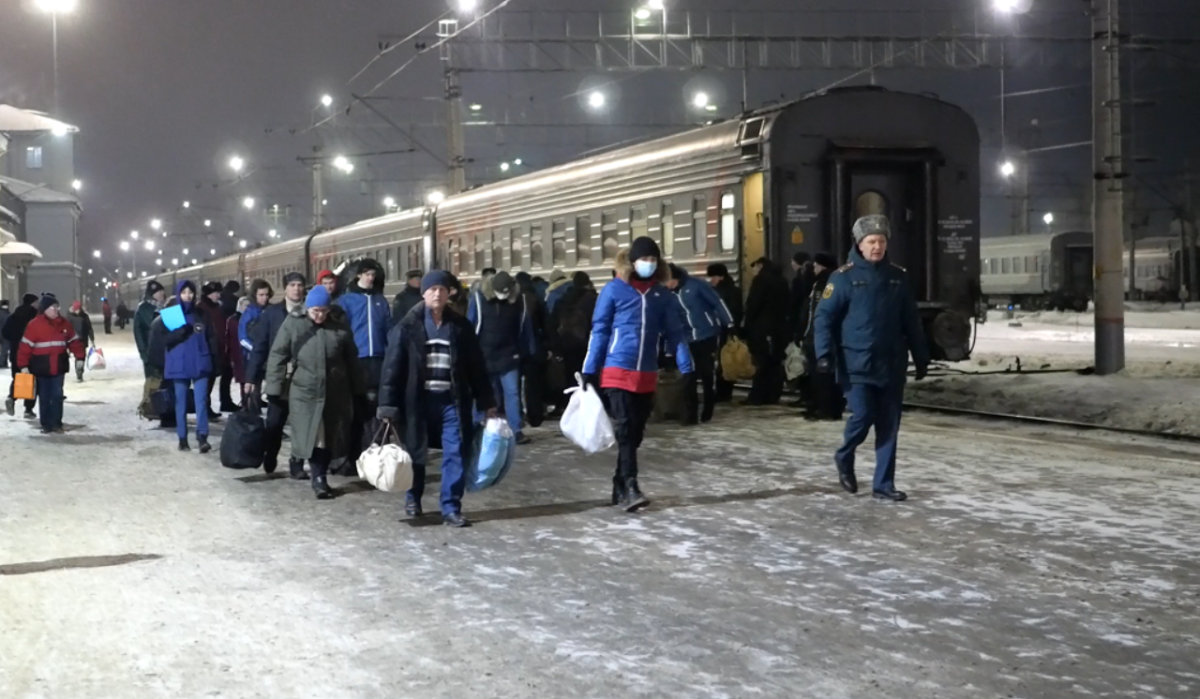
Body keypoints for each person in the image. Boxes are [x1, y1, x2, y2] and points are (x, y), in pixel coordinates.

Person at [814, 215, 930, 502]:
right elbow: (824, 318)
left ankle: (883, 485)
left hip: (890, 363)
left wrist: (921, 354)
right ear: (860, 244)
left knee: (889, 425)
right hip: (856, 363)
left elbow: (911, 321)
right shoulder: (843, 277)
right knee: (863, 416)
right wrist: (824, 353)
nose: (877, 246)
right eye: (871, 241)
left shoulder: (897, 277)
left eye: (881, 241)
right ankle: (844, 455)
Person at [583, 237, 693, 512]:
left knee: (637, 432)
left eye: (654, 260)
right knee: (626, 428)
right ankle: (631, 485)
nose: (649, 264)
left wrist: (686, 365)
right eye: (645, 259)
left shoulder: (661, 295)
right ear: (632, 262)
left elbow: (674, 332)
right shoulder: (613, 291)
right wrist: (589, 368)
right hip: (617, 369)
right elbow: (600, 330)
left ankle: (620, 481)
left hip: (645, 372)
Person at [378, 271, 496, 527]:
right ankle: (413, 498)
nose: (438, 294)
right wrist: (387, 405)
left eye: (442, 290)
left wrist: (488, 402)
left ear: (449, 294)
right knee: (416, 453)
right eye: (433, 290)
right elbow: (392, 368)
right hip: (417, 402)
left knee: (455, 452)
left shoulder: (460, 327)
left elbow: (477, 367)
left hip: (451, 401)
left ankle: (451, 507)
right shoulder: (408, 326)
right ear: (424, 293)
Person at [265, 284, 364, 500]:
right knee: (314, 436)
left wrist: (360, 389)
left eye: (323, 311)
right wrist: (274, 387)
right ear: (307, 309)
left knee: (327, 437)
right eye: (315, 311)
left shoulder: (339, 328)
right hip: (304, 391)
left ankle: (316, 471)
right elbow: (278, 354)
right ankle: (318, 478)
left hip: (333, 392)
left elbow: (352, 361)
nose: (319, 315)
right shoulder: (294, 324)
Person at [245, 272, 307, 477]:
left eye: (299, 285)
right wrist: (250, 377)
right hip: (278, 377)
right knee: (275, 422)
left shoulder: (310, 311)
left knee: (301, 423)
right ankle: (270, 453)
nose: (296, 289)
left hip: (303, 377)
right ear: (285, 289)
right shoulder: (272, 314)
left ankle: (296, 464)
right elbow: (260, 347)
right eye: (292, 285)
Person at [467, 270, 536, 444]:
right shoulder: (478, 299)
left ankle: (516, 429)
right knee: (484, 393)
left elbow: (524, 327)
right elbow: (471, 326)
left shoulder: (519, 301)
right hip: (484, 355)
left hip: (509, 354)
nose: (503, 297)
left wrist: (527, 351)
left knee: (512, 392)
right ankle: (479, 425)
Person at [336, 258, 391, 466]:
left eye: (373, 275)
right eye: (367, 274)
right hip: (356, 360)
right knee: (355, 409)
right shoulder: (346, 301)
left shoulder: (380, 300)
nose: (371, 278)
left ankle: (374, 449)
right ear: (359, 275)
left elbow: (388, 328)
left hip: (377, 359)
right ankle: (352, 454)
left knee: (376, 409)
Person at [666, 263, 734, 424]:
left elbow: (716, 302)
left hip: (706, 334)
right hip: (686, 337)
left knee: (706, 373)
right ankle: (690, 414)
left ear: (672, 278)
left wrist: (729, 324)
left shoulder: (696, 285)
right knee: (689, 374)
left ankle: (708, 405)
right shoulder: (668, 295)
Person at [164, 281, 220, 453]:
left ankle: (202, 436)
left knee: (201, 400)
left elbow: (211, 337)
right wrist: (183, 330)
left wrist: (215, 360)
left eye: (190, 292)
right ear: (178, 294)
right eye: (184, 292)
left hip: (200, 362)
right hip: (179, 364)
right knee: (180, 402)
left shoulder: (201, 314)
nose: (188, 295)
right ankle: (182, 438)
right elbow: (166, 340)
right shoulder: (171, 314)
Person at [16, 296, 84, 433]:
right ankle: (46, 424)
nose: (56, 310)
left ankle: (56, 423)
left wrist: (80, 357)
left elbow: (74, 341)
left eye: (57, 307)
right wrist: (23, 366)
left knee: (57, 396)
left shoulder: (64, 324)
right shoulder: (34, 325)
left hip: (59, 366)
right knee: (45, 397)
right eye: (53, 307)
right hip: (42, 368)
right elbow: (25, 347)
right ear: (45, 309)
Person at [800, 252, 842, 421]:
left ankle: (824, 408)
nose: (814, 269)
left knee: (821, 375)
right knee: (828, 375)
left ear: (823, 266)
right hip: (825, 335)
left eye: (816, 265)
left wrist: (806, 334)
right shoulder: (834, 281)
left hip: (819, 336)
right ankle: (829, 408)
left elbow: (815, 312)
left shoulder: (823, 285)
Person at [743, 257, 790, 406]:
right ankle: (773, 394)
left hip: (761, 328)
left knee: (761, 362)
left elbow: (753, 304)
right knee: (775, 362)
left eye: (755, 266)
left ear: (761, 265)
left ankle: (757, 396)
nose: (754, 269)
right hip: (779, 328)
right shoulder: (782, 280)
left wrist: (747, 325)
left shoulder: (760, 280)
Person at [546, 271, 596, 398]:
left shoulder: (562, 299)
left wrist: (556, 346)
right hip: (587, 343)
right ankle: (590, 401)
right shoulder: (592, 299)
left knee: (570, 375)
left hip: (567, 343)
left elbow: (551, 325)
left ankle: (572, 402)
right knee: (589, 374)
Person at [515, 271, 548, 428]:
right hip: (534, 346)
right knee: (533, 384)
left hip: (516, 347)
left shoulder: (514, 300)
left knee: (514, 386)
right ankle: (535, 415)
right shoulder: (536, 297)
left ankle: (517, 415)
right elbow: (546, 323)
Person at [706, 264, 743, 403]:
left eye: (713, 277)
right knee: (728, 361)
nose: (711, 280)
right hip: (730, 330)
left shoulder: (719, 292)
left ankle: (722, 392)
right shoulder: (735, 290)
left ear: (720, 276)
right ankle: (726, 391)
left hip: (721, 330)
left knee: (722, 360)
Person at [4, 293, 41, 418]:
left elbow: (5, 332)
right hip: (31, 352)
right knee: (32, 379)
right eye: (36, 302)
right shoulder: (35, 316)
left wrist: (15, 341)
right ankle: (28, 409)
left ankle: (12, 397)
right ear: (32, 303)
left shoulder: (13, 316)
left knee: (18, 377)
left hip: (15, 351)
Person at [134, 280, 167, 419]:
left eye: (162, 291)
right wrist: (144, 353)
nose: (162, 294)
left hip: (165, 350)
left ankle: (163, 407)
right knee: (153, 380)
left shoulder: (166, 307)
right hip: (151, 351)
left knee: (164, 381)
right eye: (159, 292)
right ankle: (148, 407)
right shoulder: (143, 308)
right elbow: (138, 332)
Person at [238, 279, 273, 368]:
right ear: (254, 295)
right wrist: (255, 350)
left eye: (267, 294)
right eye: (261, 295)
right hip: (252, 358)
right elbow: (242, 338)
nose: (265, 298)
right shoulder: (248, 314)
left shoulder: (272, 310)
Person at [226, 297, 250, 395]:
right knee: (243, 380)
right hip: (238, 353)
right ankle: (246, 404)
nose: (248, 308)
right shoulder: (233, 320)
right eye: (245, 305)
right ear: (239, 306)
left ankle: (253, 404)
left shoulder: (253, 317)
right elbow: (229, 338)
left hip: (249, 352)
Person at [66, 302, 95, 382]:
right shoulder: (69, 317)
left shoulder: (84, 316)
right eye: (76, 309)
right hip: (73, 341)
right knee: (80, 357)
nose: (77, 311)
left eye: (79, 309)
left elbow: (89, 328)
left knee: (80, 358)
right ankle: (79, 373)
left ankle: (79, 373)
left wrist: (92, 339)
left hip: (82, 340)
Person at [0, 299, 9, 369]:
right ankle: (2, 362)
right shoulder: (7, 314)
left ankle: (3, 361)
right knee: (4, 349)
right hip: (4, 334)